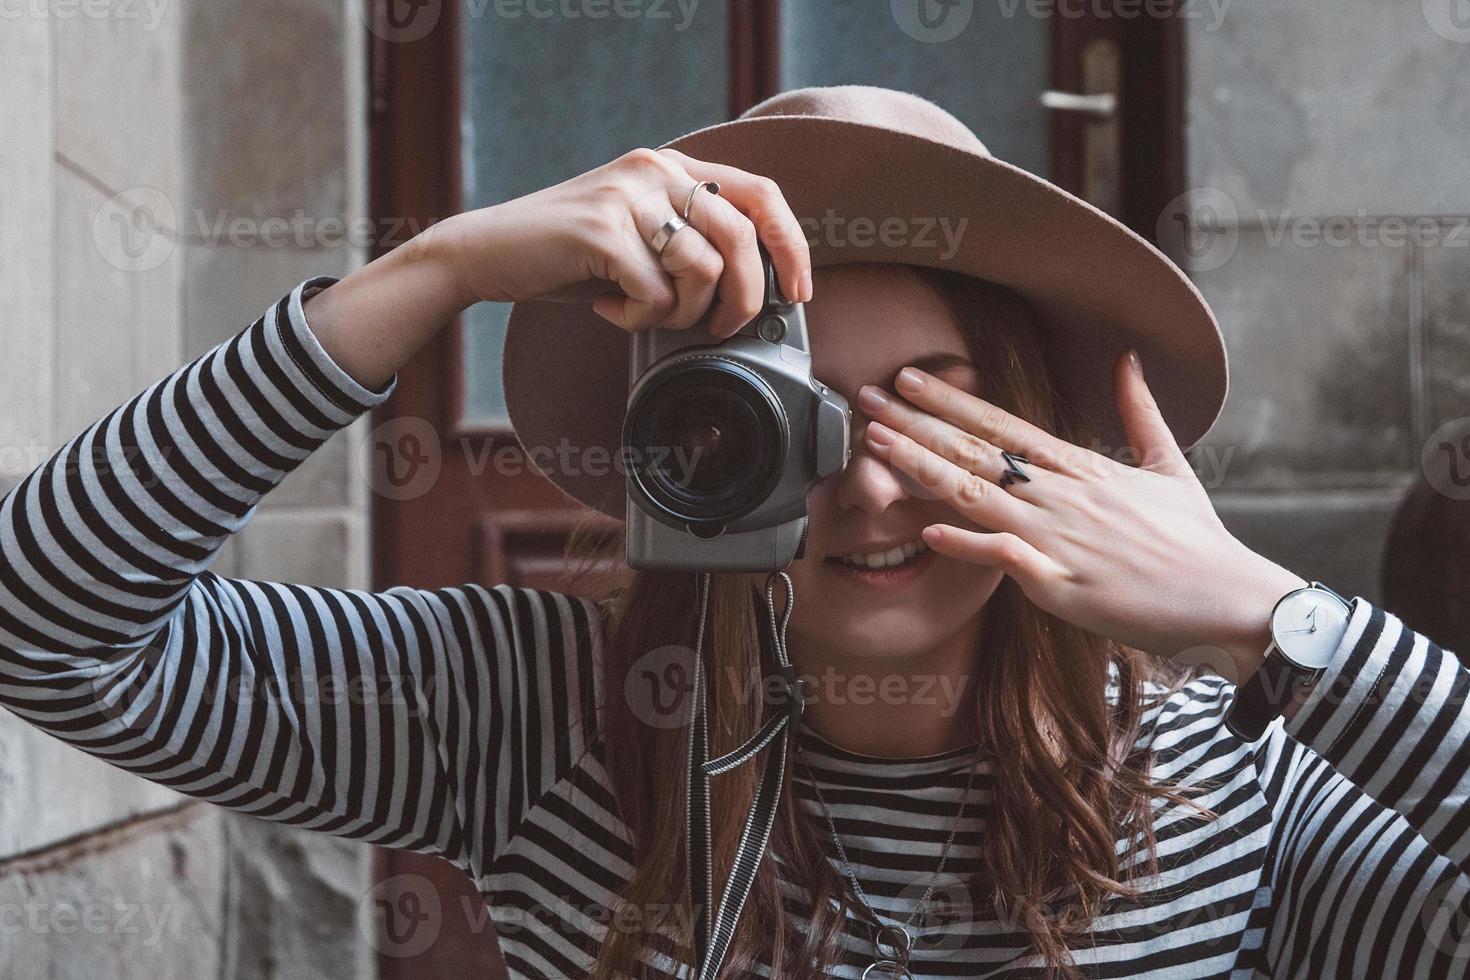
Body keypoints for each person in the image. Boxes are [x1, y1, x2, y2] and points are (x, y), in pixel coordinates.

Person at [1, 85, 1467, 979]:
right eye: (781, 419)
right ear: (678, 455)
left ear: (1045, 444)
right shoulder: (534, 707)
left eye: (931, 416)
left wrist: (1281, 629)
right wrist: (427, 275)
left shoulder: (1216, 763)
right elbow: (46, 629)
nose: (869, 485)